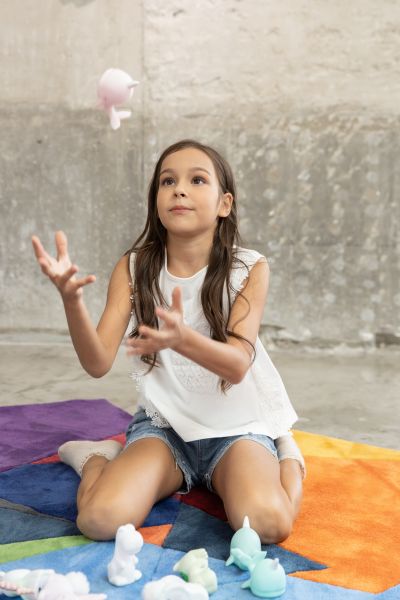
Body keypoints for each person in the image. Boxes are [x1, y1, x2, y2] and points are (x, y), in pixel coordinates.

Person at [32, 139, 305, 544]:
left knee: (270, 524)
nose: (179, 190)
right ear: (156, 200)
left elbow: (236, 365)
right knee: (99, 520)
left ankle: (288, 455)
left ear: (224, 204)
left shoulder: (249, 267)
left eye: (197, 180)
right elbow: (97, 363)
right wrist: (72, 303)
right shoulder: (135, 266)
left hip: (237, 430)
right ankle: (95, 458)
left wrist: (182, 339)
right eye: (168, 181)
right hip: (165, 429)